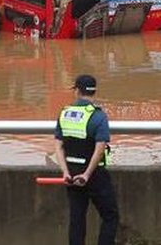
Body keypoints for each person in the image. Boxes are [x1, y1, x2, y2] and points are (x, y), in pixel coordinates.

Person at [54, 74, 119, 245]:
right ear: (94, 92)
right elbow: (100, 148)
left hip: (72, 174)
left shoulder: (65, 113)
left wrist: (66, 173)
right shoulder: (98, 116)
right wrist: (87, 174)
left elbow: (58, 146)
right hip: (95, 175)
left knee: (77, 219)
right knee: (110, 216)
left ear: (77, 91)